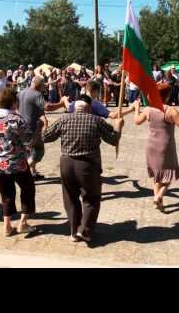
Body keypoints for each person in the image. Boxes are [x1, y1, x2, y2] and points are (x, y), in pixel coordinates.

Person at [42, 96, 124, 243]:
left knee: (70, 199)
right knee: (91, 198)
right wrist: (118, 127)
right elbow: (113, 139)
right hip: (87, 164)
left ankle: (74, 232)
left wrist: (45, 125)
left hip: (66, 163)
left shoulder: (63, 119)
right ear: (89, 108)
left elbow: (45, 137)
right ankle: (85, 231)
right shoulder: (96, 120)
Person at [133, 87, 179, 211]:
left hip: (151, 146)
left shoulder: (148, 110)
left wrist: (136, 108)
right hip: (165, 146)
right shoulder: (170, 110)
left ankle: (158, 202)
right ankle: (158, 197)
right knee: (170, 173)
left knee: (157, 175)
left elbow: (136, 121)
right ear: (167, 96)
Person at [0, 88, 36, 236]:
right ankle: (23, 223)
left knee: (6, 194)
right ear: (13, 102)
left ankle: (7, 226)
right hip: (18, 163)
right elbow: (28, 140)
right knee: (28, 189)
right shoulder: (18, 119)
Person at [18, 75, 66, 180]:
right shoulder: (36, 94)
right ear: (40, 86)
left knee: (30, 151)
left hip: (22, 127)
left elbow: (31, 107)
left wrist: (42, 117)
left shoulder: (22, 92)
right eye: (43, 86)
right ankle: (22, 172)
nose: (44, 88)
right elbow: (47, 106)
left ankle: (33, 173)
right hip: (32, 128)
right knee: (39, 152)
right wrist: (61, 104)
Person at [65, 80, 134, 119]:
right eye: (99, 91)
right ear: (96, 91)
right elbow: (113, 115)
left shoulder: (77, 102)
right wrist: (130, 109)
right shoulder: (95, 104)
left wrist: (64, 100)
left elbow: (68, 107)